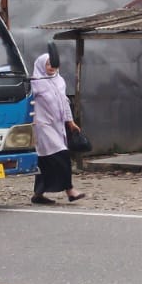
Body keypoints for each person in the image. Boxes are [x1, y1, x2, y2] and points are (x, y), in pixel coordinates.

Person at [29, 53, 86, 204]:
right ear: (41, 65)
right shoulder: (35, 83)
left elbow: (64, 102)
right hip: (43, 126)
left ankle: (38, 194)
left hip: (58, 126)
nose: (52, 67)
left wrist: (70, 121)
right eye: (48, 64)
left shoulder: (59, 80)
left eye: (54, 64)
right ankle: (70, 190)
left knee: (44, 161)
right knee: (62, 155)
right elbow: (27, 102)